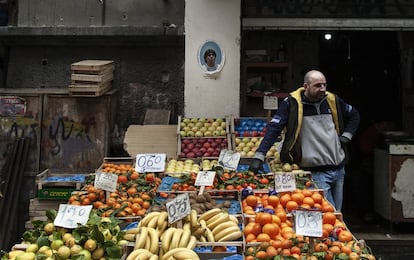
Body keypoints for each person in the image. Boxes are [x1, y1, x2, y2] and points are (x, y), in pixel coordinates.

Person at [249, 70, 360, 212]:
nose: (323, 89)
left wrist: (347, 135)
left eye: (324, 85)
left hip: (338, 169)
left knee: (336, 215)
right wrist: (259, 155)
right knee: (330, 214)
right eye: (318, 85)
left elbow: (354, 115)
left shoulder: (332, 101)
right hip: (316, 173)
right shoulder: (292, 104)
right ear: (306, 86)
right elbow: (274, 129)